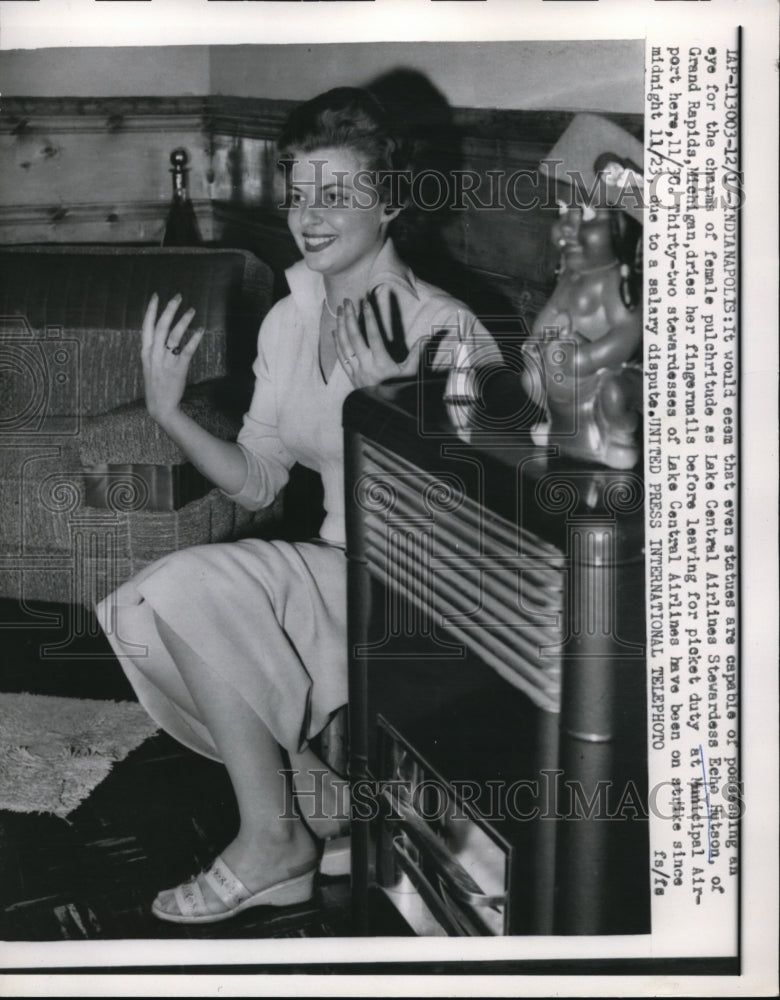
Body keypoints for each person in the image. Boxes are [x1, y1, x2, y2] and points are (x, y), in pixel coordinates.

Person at [95, 87, 493, 925]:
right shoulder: (290, 315)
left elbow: (476, 527)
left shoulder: (443, 327)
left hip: (423, 596)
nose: (308, 216)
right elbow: (261, 479)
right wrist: (169, 413)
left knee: (181, 591)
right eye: (298, 191)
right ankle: (319, 791)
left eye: (335, 194)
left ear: (387, 203)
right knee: (134, 612)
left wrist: (389, 397)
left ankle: (274, 839)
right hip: (338, 570)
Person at [520, 113, 644, 470]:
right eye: (562, 210)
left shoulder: (615, 282)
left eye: (588, 214)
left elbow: (626, 333)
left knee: (615, 393)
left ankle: (620, 433)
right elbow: (554, 313)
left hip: (605, 370)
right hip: (566, 365)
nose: (568, 227)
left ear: (624, 228)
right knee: (531, 377)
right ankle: (557, 428)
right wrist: (535, 342)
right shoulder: (571, 275)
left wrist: (588, 359)